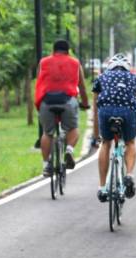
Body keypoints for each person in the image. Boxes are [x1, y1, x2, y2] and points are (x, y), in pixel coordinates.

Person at [91, 53, 136, 203]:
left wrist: (95, 136)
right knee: (130, 143)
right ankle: (129, 175)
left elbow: (95, 109)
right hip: (127, 113)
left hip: (106, 112)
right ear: (127, 67)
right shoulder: (135, 79)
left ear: (109, 66)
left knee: (106, 143)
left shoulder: (101, 78)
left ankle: (103, 188)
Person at [35, 40, 90, 177]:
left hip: (47, 102)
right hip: (67, 101)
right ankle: (69, 150)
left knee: (47, 133)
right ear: (68, 51)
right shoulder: (75, 63)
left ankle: (46, 165)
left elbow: (39, 82)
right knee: (73, 129)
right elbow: (82, 87)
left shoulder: (43, 62)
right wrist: (85, 103)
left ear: (53, 50)